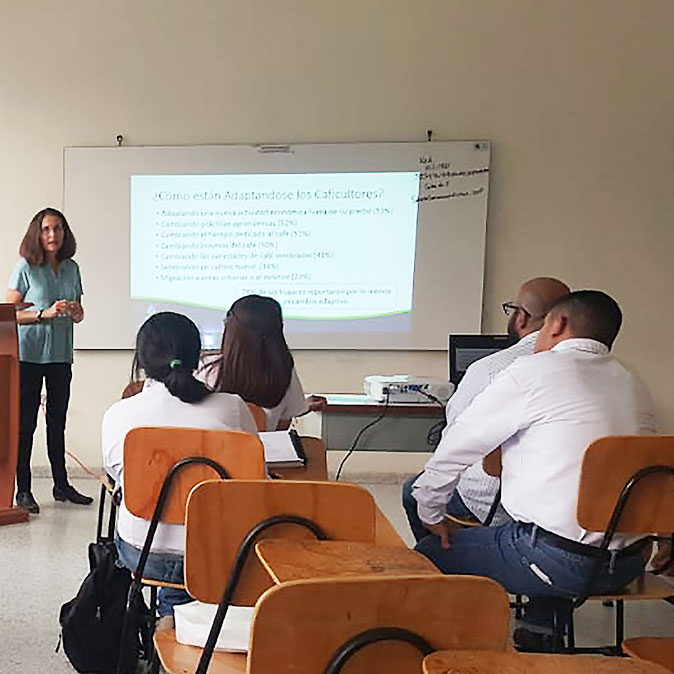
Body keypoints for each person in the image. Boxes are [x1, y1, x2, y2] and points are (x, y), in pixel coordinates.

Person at [411, 290, 656, 649]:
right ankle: (541, 633)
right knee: (546, 524)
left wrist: (431, 511)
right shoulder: (631, 380)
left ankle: (454, 652)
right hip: (630, 563)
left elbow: (457, 445)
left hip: (561, 561)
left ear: (557, 324)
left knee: (427, 556)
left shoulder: (533, 371)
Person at [102, 312, 257, 624]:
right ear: (197, 357)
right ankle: (188, 623)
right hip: (219, 554)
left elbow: (119, 480)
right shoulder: (233, 408)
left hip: (144, 553)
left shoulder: (119, 415)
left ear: (141, 360)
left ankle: (172, 620)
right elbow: (253, 482)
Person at [403, 277, 570, 540]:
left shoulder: (491, 369)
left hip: (497, 508)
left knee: (414, 490)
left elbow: (455, 444)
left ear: (522, 318)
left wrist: (431, 504)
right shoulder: (613, 378)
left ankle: (444, 556)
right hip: (568, 511)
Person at [6, 207, 91, 514]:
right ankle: (24, 490)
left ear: (64, 233)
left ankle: (61, 485)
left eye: (58, 229)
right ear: (37, 233)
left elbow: (78, 312)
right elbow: (8, 314)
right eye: (46, 229)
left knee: (58, 423)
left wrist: (76, 312)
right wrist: (44, 313)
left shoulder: (72, 268)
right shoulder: (25, 267)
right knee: (25, 424)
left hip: (60, 357)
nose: (53, 235)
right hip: (29, 357)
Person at [198, 295, 326, 430]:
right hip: (263, 449)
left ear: (231, 330)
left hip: (213, 450)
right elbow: (282, 425)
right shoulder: (284, 371)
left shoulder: (207, 369)